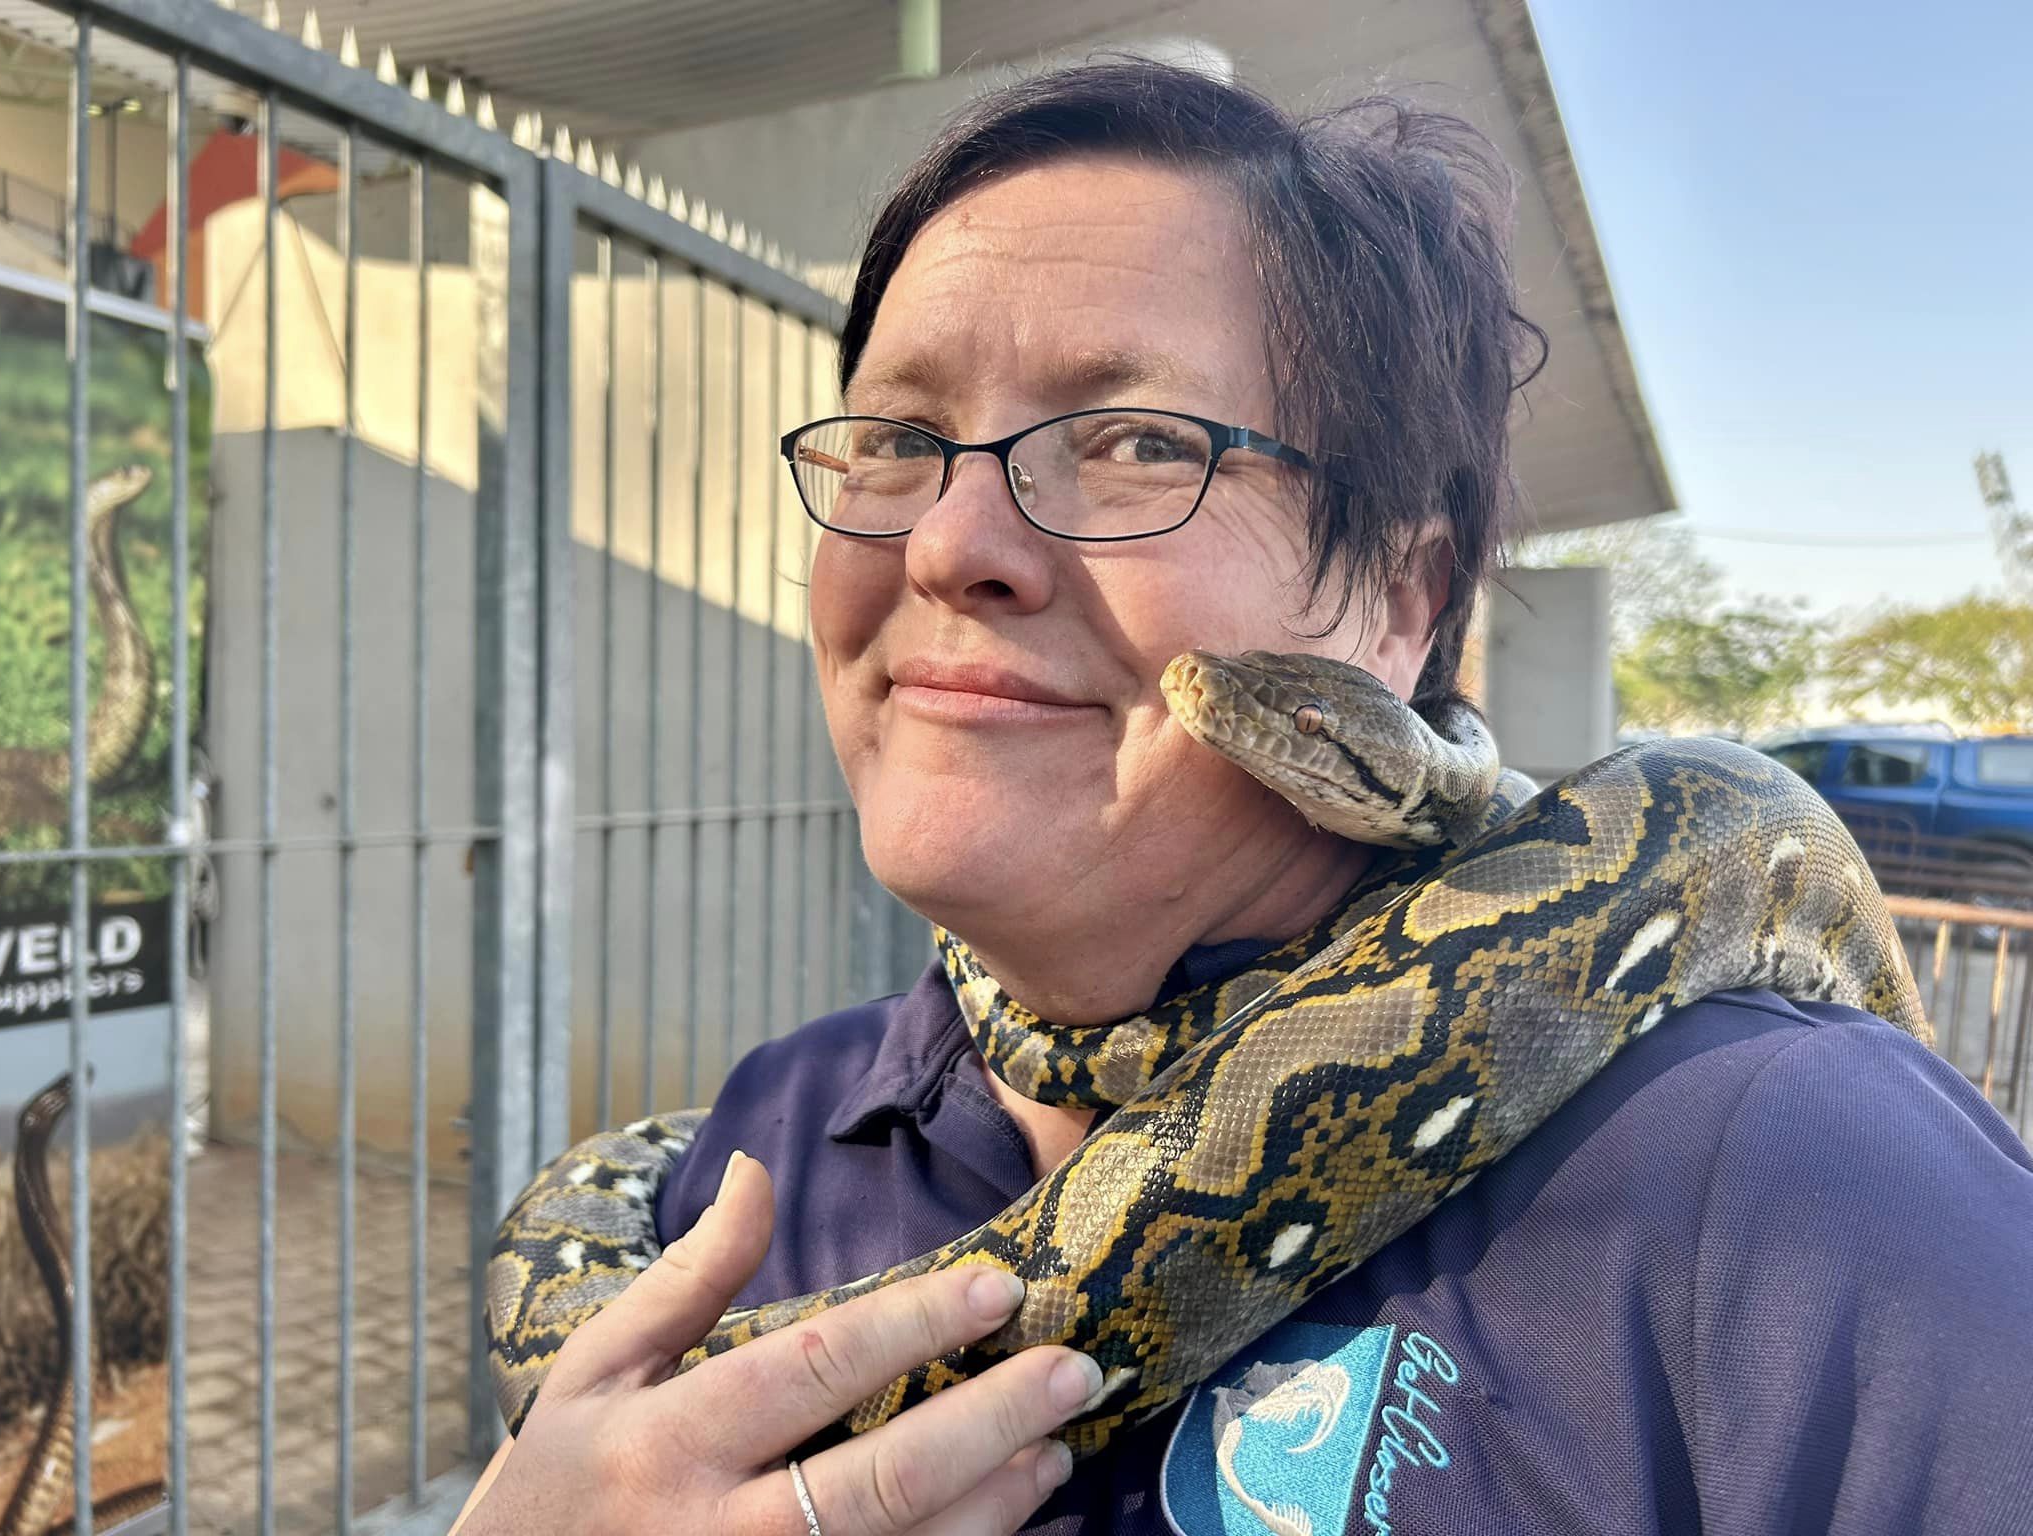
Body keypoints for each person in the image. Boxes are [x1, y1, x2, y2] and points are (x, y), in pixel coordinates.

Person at [453, 60, 2033, 1536]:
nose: (947, 543)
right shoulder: (767, 1143)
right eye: (896, 439)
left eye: (1138, 442)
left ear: (1403, 598)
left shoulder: (1797, 1184)